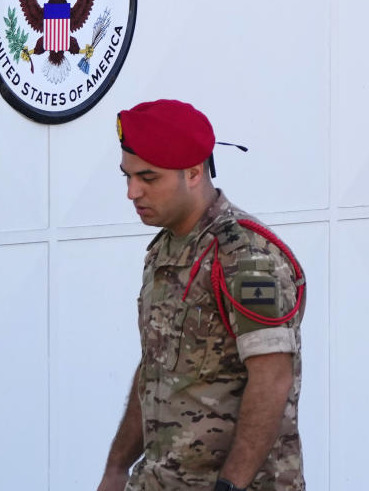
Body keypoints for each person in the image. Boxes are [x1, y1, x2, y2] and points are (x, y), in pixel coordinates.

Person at [98, 100, 306, 491]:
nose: (132, 192)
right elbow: (156, 367)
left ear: (193, 173)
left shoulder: (245, 255)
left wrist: (229, 486)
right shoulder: (167, 247)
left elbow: (273, 377)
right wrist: (117, 468)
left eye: (148, 177)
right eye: (126, 176)